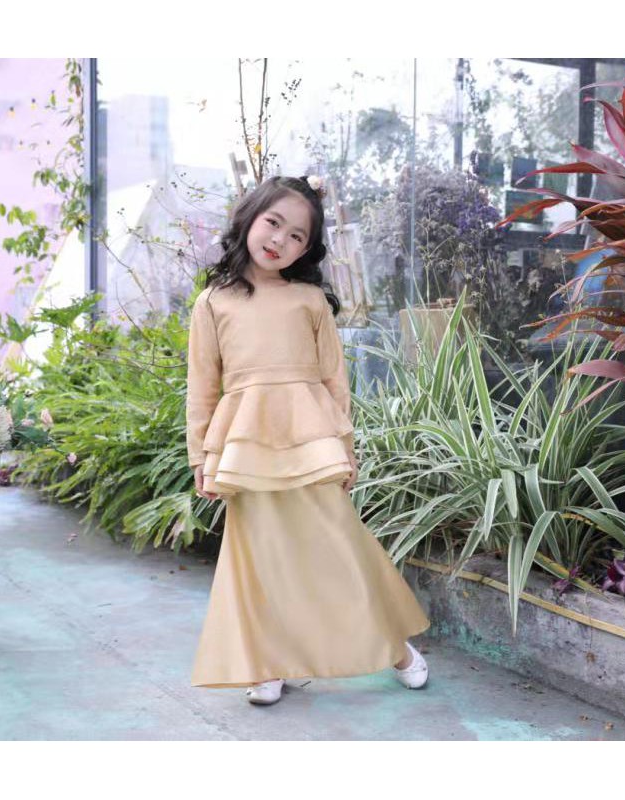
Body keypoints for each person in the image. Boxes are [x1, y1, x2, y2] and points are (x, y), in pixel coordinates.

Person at [186, 175, 431, 705]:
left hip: (312, 441)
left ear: (307, 249)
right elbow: (202, 386)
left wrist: (345, 447)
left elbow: (334, 382)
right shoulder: (212, 302)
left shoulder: (310, 300)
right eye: (273, 223)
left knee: (337, 547)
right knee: (259, 557)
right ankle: (268, 662)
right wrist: (201, 456)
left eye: (297, 235)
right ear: (249, 218)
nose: (280, 240)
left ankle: (395, 648)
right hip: (246, 446)